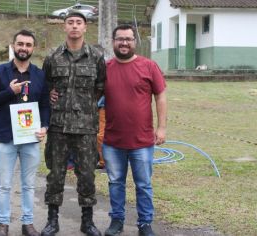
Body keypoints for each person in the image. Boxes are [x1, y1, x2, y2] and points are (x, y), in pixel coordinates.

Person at [41, 11, 106, 236]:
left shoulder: (96, 57)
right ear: (64, 27)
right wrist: (51, 94)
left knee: (87, 174)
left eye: (79, 23)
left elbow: (100, 87)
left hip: (86, 128)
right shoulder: (52, 57)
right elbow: (46, 85)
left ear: (85, 27)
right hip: (58, 127)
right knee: (55, 174)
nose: (75, 26)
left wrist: (84, 104)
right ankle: (52, 220)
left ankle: (87, 222)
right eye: (70, 23)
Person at [0, 29, 50, 236]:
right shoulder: (1, 71)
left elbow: (46, 105)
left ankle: (27, 224)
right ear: (13, 46)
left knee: (29, 185)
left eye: (28, 45)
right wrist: (9, 92)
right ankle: (3, 225)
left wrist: (44, 126)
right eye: (20, 44)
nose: (24, 48)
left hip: (30, 138)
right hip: (6, 136)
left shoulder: (39, 74)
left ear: (33, 48)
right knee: (4, 185)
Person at [103, 24, 167, 236]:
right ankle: (117, 221)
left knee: (143, 185)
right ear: (113, 42)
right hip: (113, 141)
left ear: (135, 42)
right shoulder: (105, 69)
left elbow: (160, 97)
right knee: (115, 184)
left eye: (128, 39)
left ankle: (145, 223)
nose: (124, 43)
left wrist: (162, 128)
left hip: (142, 141)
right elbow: (89, 96)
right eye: (120, 39)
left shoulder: (149, 66)